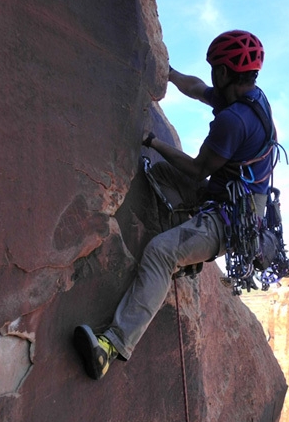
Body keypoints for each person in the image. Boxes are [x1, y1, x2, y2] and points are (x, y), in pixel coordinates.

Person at [73, 30, 275, 380]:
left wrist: (153, 141)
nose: (211, 75)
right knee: (163, 175)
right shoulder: (249, 98)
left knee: (160, 253)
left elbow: (197, 171)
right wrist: (168, 71)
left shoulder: (235, 120)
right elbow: (198, 89)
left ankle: (111, 347)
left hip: (231, 219)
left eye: (214, 69)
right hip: (231, 197)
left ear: (225, 73)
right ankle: (188, 252)